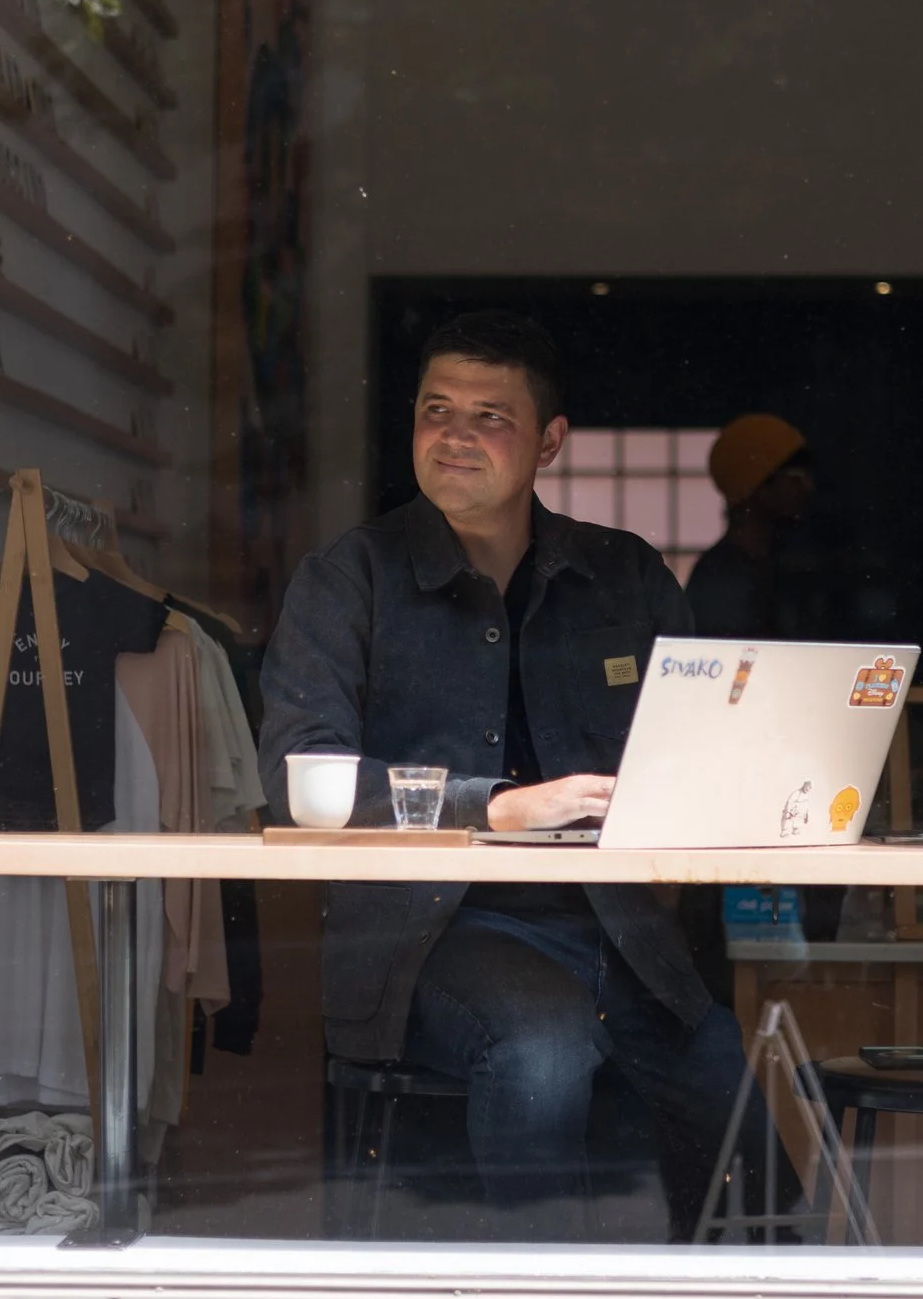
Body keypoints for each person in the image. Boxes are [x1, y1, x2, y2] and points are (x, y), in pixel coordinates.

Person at [257, 311, 786, 1241]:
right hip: (433, 933)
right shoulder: (350, 579)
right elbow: (302, 775)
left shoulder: (622, 576)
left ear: (549, 441)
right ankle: (545, 1293)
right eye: (436, 409)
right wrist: (493, 806)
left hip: (616, 925)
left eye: (490, 417)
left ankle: (766, 1287)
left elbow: (705, 744)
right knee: (542, 1047)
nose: (454, 435)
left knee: (720, 1079)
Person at [684, 413, 815, 639]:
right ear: (757, 487)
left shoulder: (773, 563)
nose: (807, 489)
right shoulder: (721, 578)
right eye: (796, 478)